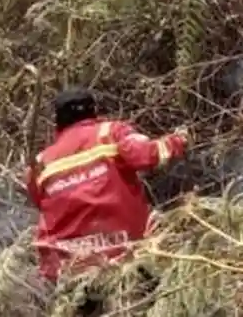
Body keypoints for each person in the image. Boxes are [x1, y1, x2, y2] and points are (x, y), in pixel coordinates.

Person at [25, 85, 189, 315]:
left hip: (74, 269)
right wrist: (178, 140)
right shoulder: (110, 132)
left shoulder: (40, 163)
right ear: (93, 111)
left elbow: (39, 201)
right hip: (128, 255)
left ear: (58, 120)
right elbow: (147, 155)